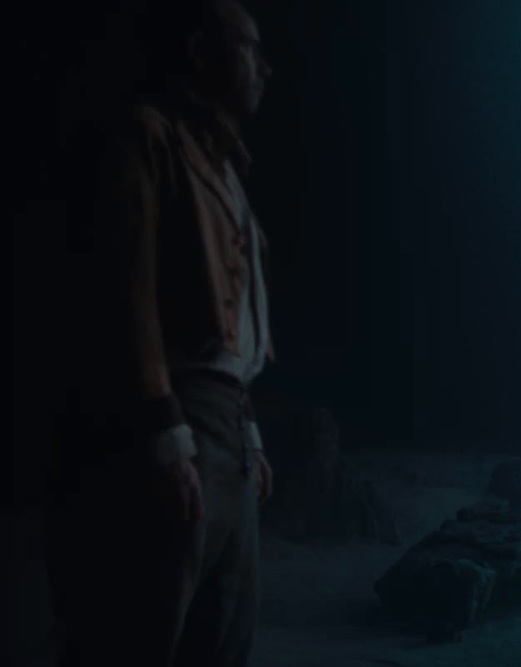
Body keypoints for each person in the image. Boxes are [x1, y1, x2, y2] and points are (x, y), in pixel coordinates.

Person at [43, 3, 276, 666]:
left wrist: (248, 428)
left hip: (226, 425)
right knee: (141, 625)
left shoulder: (229, 173)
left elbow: (232, 324)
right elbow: (127, 287)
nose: (265, 66)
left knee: (226, 628)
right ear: (202, 51)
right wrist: (163, 426)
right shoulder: (149, 136)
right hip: (177, 416)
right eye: (249, 47)